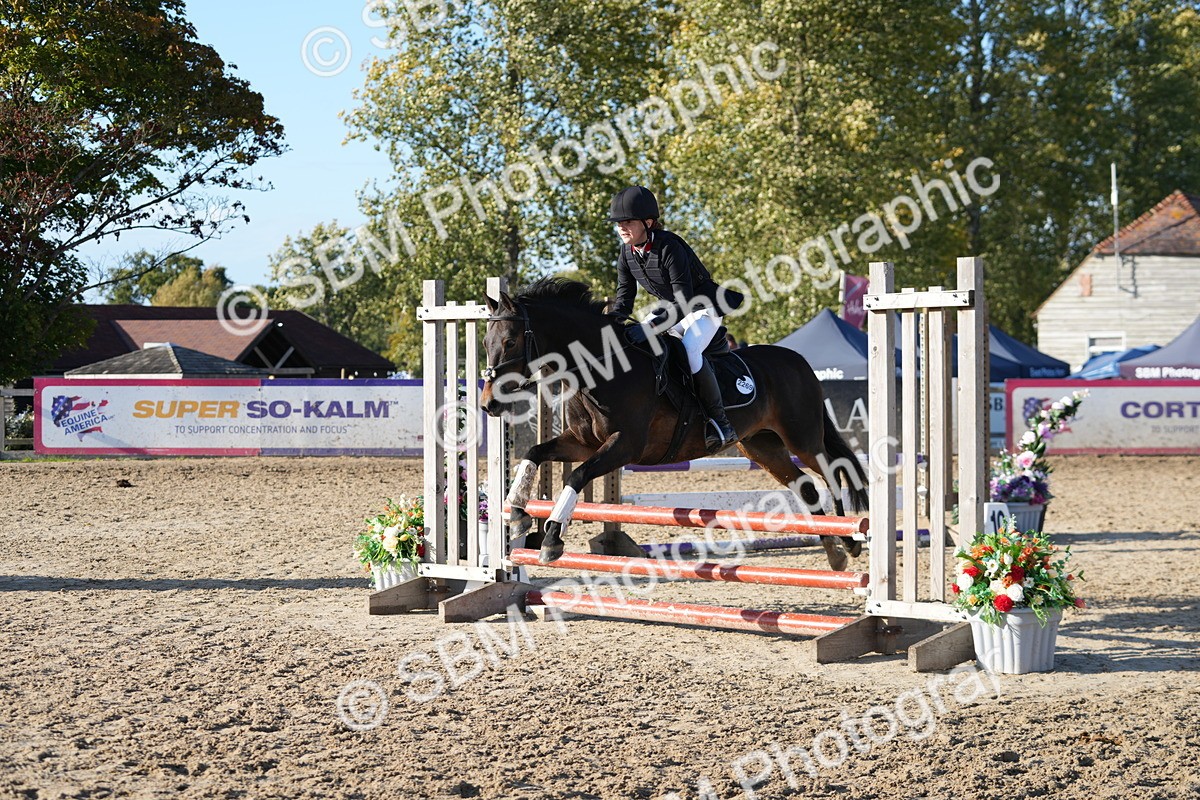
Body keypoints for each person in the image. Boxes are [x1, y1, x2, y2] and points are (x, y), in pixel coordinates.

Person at [606, 185, 744, 452]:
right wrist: (610, 326)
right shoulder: (626, 253)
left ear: (648, 222)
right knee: (638, 343)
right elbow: (624, 300)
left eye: (628, 221)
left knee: (690, 350)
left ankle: (721, 422)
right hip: (673, 309)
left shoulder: (669, 246)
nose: (622, 227)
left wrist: (650, 329)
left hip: (703, 307)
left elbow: (685, 302)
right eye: (619, 223)